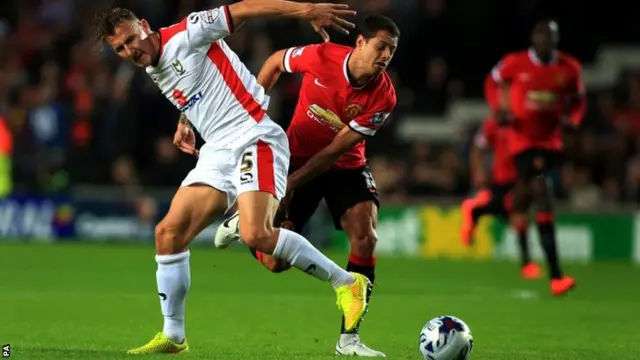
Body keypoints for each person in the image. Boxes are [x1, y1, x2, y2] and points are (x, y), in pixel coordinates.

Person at [96, 1, 372, 354]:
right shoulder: (152, 64)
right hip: (218, 151)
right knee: (167, 233)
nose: (129, 51)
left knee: (256, 233)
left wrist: (305, 11)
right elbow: (196, 85)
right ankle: (174, 335)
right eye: (119, 49)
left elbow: (243, 9)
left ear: (145, 26)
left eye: (131, 40)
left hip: (254, 136)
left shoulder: (190, 31)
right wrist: (186, 121)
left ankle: (347, 284)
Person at [213, 14, 399, 357]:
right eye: (381, 46)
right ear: (361, 42)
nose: (385, 56)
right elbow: (274, 62)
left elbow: (333, 152)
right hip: (293, 155)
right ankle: (245, 225)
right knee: (275, 264)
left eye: (391, 50)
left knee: (365, 235)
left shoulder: (384, 97)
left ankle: (349, 339)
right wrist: (248, 114)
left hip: (345, 165)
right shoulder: (321, 56)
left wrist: (288, 185)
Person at [487, 20, 586, 296]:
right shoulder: (515, 63)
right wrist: (499, 109)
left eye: (550, 38)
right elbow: (492, 82)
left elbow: (579, 99)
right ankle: (556, 276)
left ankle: (506, 205)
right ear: (533, 38)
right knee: (542, 191)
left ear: (556, 40)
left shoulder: (569, 68)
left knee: (525, 196)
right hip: (521, 141)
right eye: (541, 37)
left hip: (551, 141)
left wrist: (573, 120)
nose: (545, 42)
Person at [461, 114, 541, 280]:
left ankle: (475, 211)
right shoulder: (492, 124)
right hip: (501, 179)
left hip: (520, 180)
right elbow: (477, 148)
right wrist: (478, 171)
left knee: (519, 218)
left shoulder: (525, 123)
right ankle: (476, 211)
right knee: (515, 216)